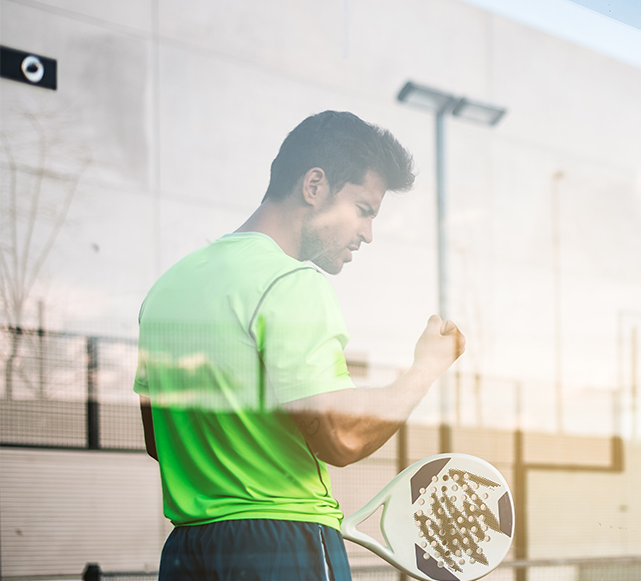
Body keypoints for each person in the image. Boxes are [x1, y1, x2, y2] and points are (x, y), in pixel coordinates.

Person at [134, 110, 464, 581]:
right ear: (314, 186)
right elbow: (341, 437)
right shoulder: (290, 283)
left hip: (187, 552)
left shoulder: (165, 291)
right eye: (364, 210)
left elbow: (158, 442)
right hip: (282, 545)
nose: (367, 233)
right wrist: (424, 370)